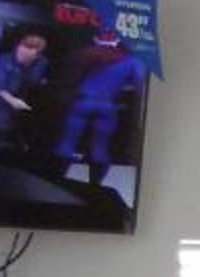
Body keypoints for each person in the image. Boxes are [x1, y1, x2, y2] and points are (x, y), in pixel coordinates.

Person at [53, 33, 146, 186]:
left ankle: (56, 179)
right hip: (107, 105)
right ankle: (95, 185)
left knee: (67, 143)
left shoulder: (85, 54)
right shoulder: (131, 61)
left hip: (82, 102)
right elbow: (140, 84)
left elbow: (67, 77)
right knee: (100, 148)